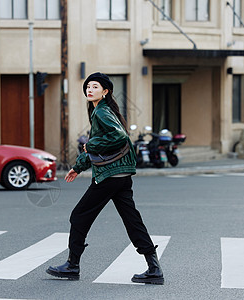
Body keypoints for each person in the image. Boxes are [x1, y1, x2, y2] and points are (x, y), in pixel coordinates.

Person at [46, 72, 164, 285]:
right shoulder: (104, 111)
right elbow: (100, 148)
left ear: (105, 91)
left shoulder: (102, 111)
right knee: (132, 220)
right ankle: (154, 268)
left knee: (79, 216)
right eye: (88, 86)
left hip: (109, 177)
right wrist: (78, 167)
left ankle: (72, 265)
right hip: (122, 175)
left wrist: (89, 146)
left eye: (95, 86)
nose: (90, 90)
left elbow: (117, 136)